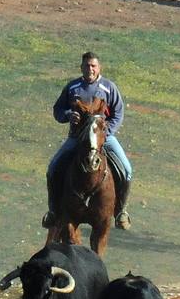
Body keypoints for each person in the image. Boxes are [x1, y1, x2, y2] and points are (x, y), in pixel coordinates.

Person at [44, 51, 134, 230]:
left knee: (127, 169)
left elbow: (118, 113)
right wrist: (68, 115)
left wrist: (107, 132)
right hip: (77, 138)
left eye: (93, 66)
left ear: (99, 67)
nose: (90, 69)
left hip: (104, 139)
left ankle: (121, 211)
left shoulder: (109, 87)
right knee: (53, 168)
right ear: (81, 67)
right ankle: (53, 211)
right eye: (87, 65)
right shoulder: (72, 87)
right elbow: (58, 110)